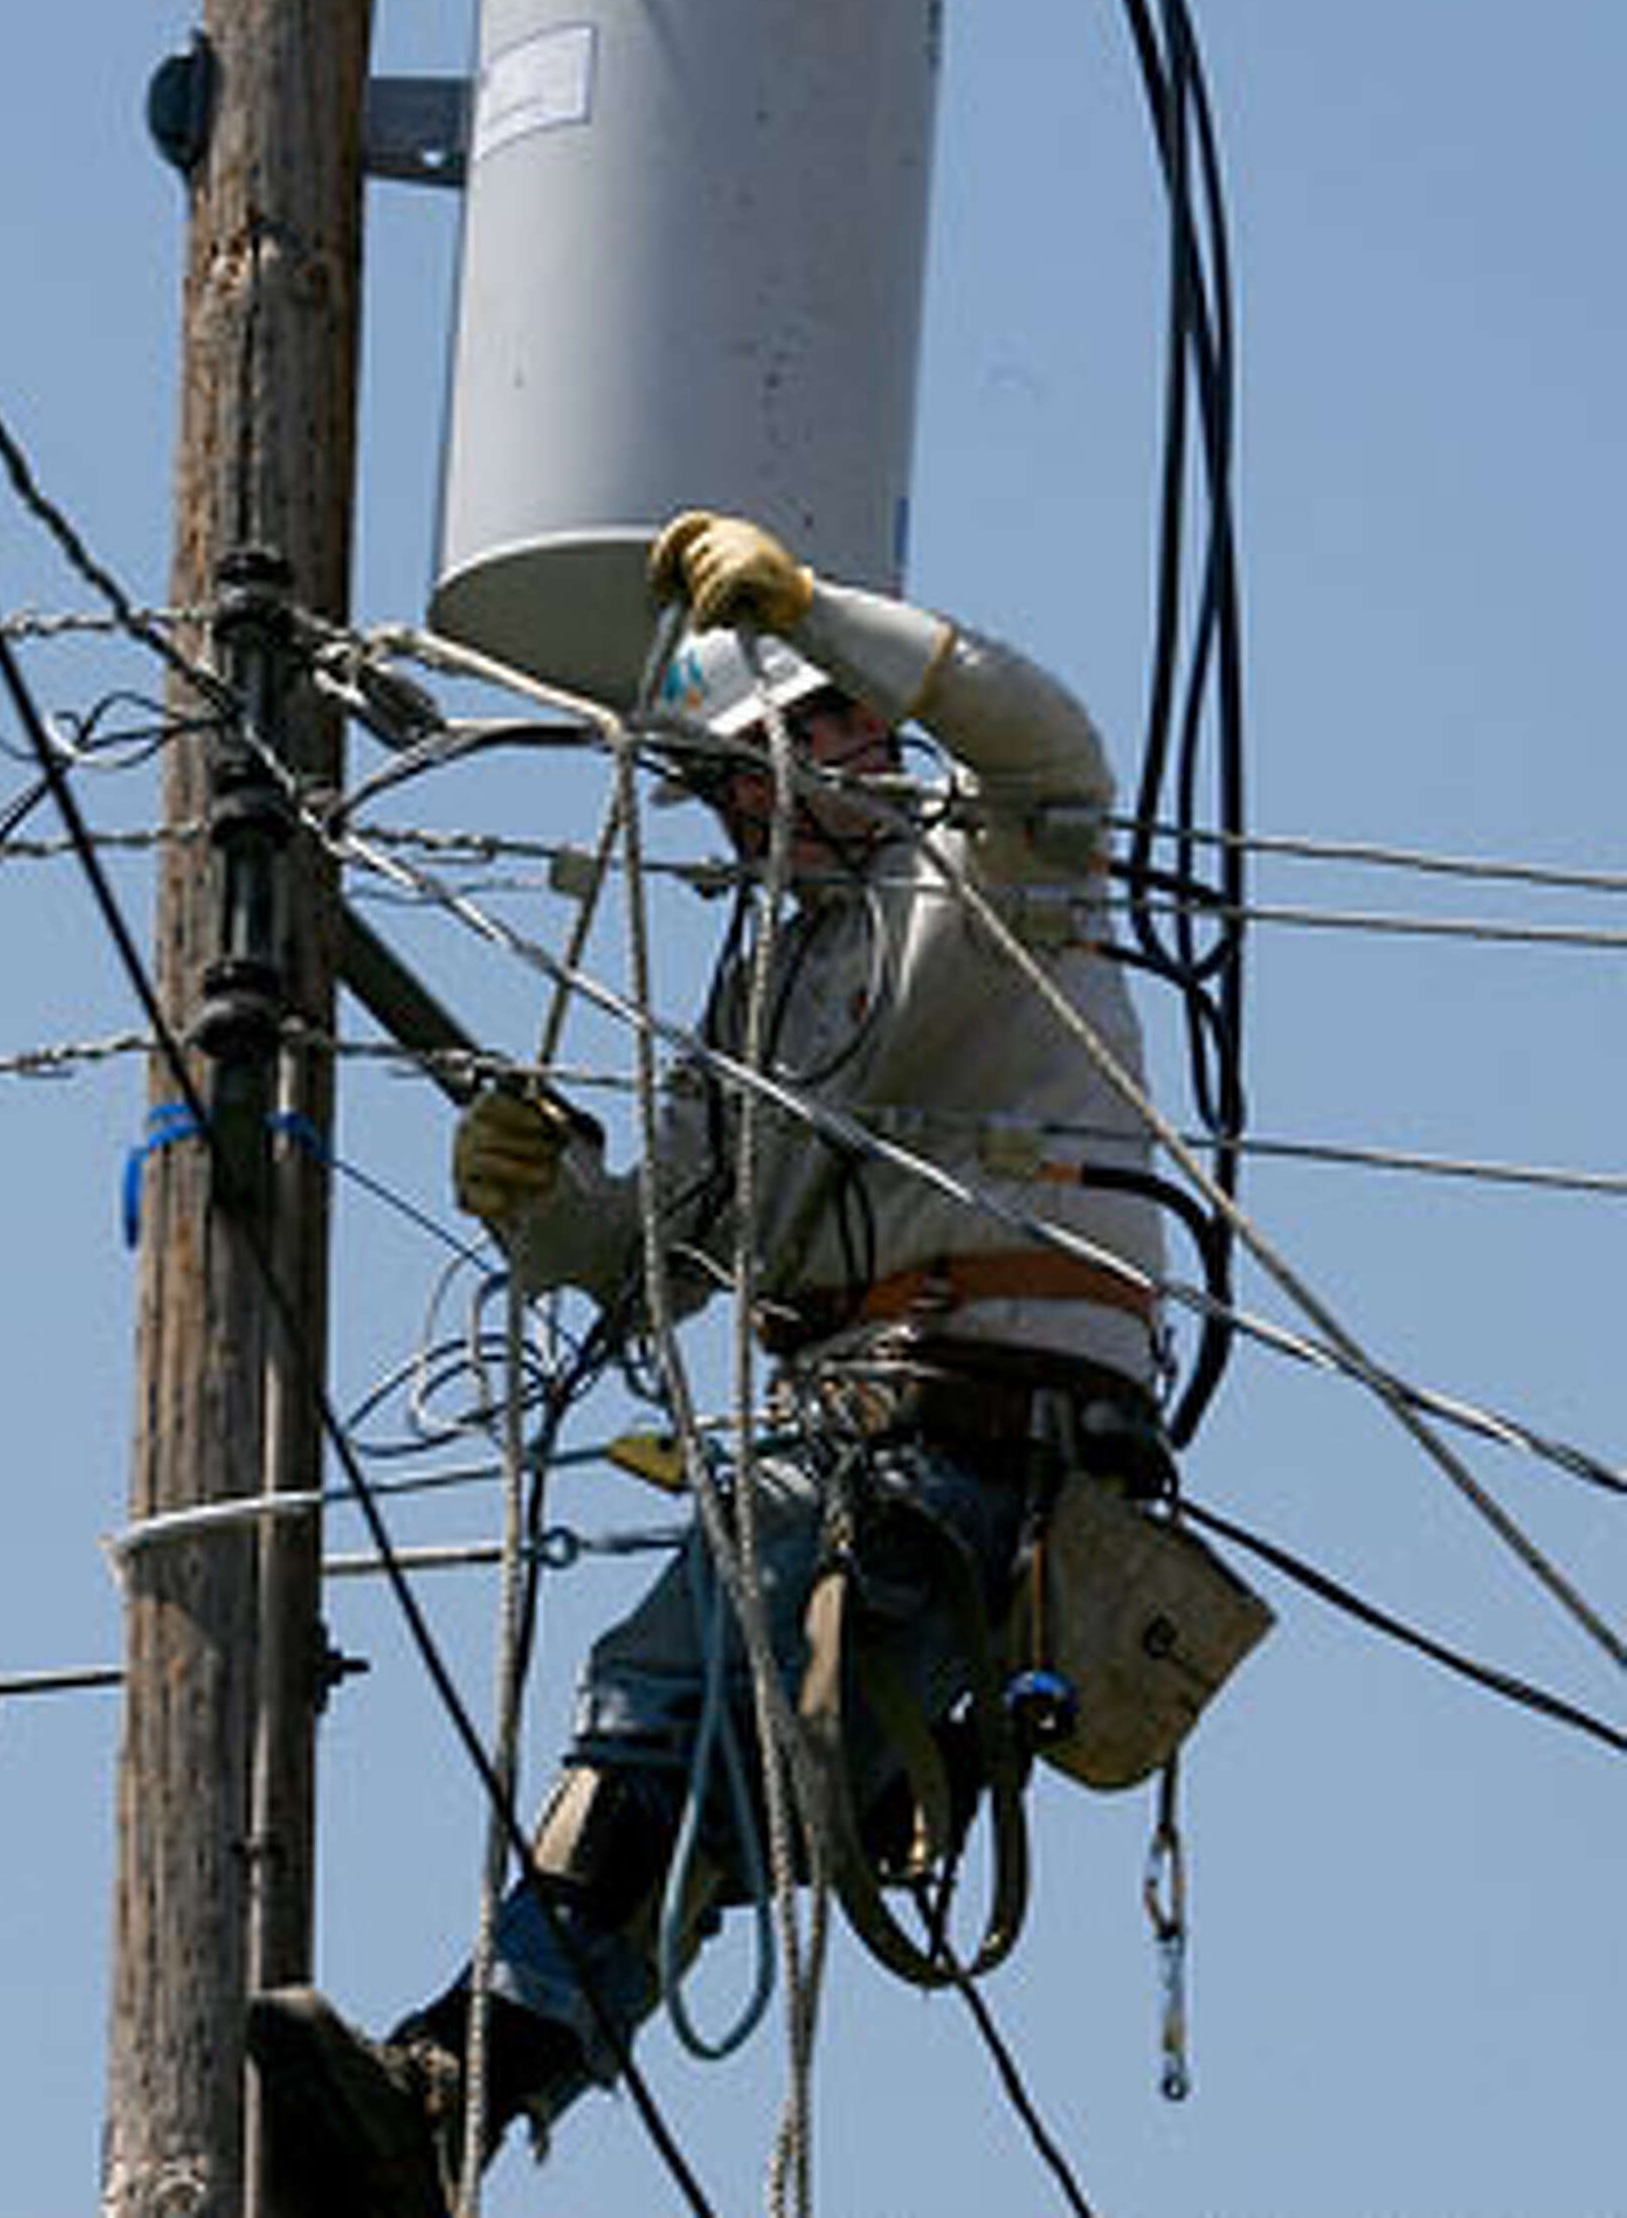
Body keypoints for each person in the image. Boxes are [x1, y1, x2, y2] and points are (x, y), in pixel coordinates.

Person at [251, 510, 1168, 2216]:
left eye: (832, 728)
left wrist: (831, 613)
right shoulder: (764, 985)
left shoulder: (988, 881)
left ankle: (459, 2077)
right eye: (758, 763)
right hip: (878, 1453)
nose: (803, 779)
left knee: (659, 1701)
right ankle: (457, 2093)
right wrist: (537, 1200)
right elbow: (650, 1252)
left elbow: (1052, 744)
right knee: (681, 1764)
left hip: (979, 1430)